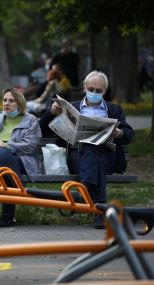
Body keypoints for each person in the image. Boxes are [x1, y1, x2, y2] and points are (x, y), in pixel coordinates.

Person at [39, 71, 134, 229]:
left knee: (95, 152)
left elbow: (129, 135)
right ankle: (99, 210)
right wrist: (51, 113)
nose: (94, 93)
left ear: (105, 90)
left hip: (107, 156)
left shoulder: (114, 110)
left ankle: (84, 191)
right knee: (92, 152)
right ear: (84, 87)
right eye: (91, 89)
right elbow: (41, 130)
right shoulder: (72, 107)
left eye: (99, 91)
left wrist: (119, 132)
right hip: (77, 156)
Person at [0, 87, 43, 228]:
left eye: (11, 101)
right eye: (5, 100)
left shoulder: (31, 120)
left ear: (19, 103)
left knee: (3, 169)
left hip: (20, 161)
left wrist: (6, 146)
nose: (6, 103)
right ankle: (18, 184)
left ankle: (7, 218)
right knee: (0, 152)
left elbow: (30, 145)